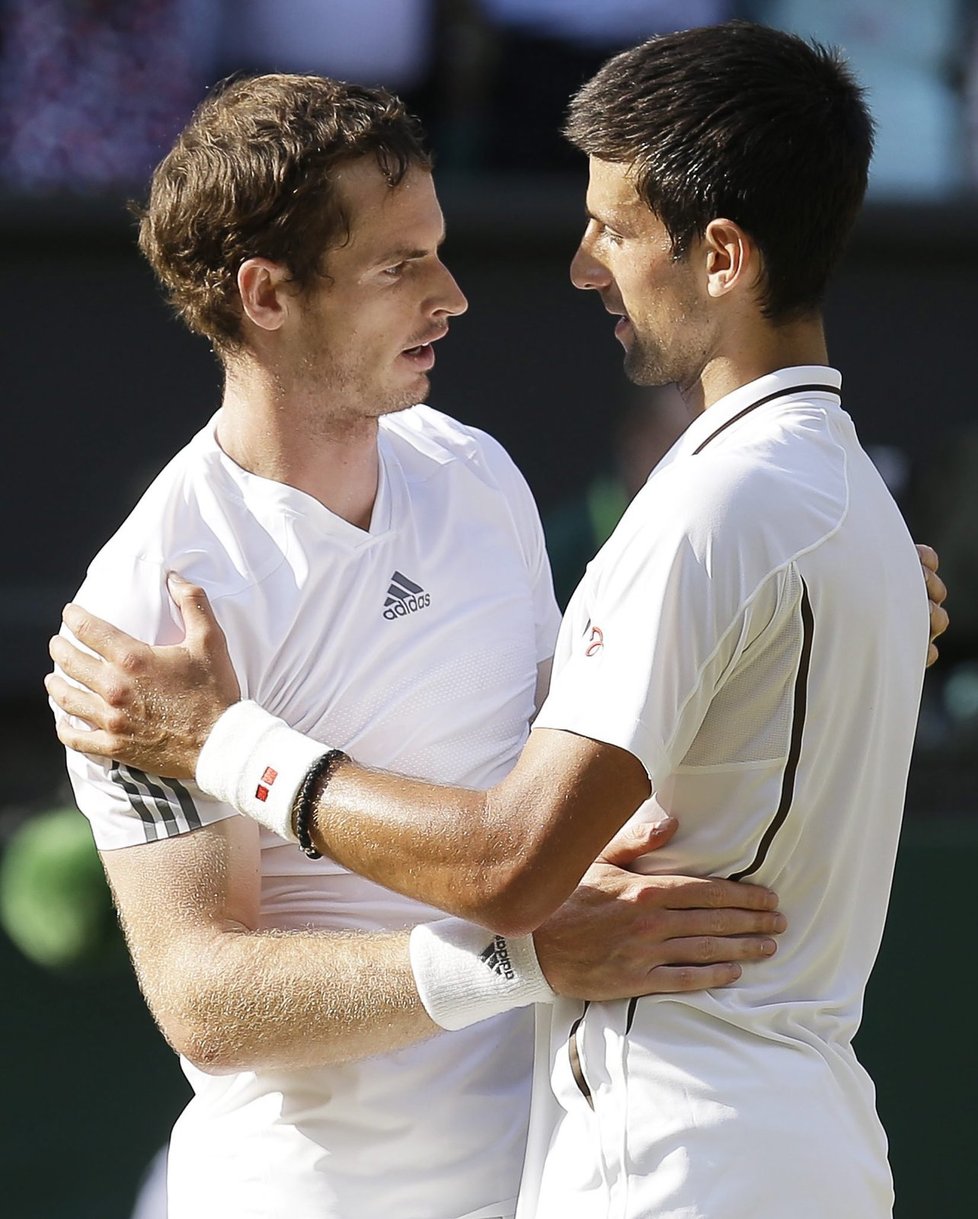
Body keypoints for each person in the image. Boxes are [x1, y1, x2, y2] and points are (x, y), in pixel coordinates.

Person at [47, 23, 952, 1218]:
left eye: (440, 251)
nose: (454, 295)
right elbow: (206, 1001)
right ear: (266, 295)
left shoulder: (474, 473)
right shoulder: (141, 620)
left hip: (556, 1175)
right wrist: (517, 956)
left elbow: (576, 767)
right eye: (397, 268)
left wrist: (835, 604)